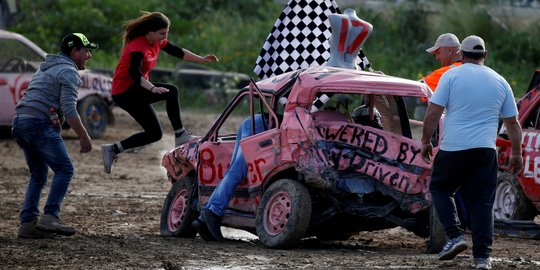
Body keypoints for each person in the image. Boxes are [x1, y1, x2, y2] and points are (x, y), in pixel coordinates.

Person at [420, 35, 523, 270]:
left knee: (440, 188)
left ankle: (455, 236)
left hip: (453, 149)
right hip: (485, 152)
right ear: (485, 56)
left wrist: (425, 141)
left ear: (460, 54)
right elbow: (513, 124)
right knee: (482, 204)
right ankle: (482, 259)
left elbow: (433, 113)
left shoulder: (451, 76)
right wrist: (516, 154)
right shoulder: (500, 81)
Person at [101, 11, 219, 174]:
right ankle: (180, 134)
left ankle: (113, 149)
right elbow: (134, 74)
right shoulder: (137, 46)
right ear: (150, 32)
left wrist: (202, 59)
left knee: (154, 133)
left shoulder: (157, 41)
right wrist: (152, 88)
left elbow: (177, 51)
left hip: (135, 89)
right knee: (171, 91)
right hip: (125, 92)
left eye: (167, 33)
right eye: (162, 33)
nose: (164, 36)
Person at [12, 33, 97, 238]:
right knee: (65, 169)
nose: (89, 56)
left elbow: (49, 101)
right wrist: (84, 136)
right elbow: (70, 109)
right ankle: (50, 216)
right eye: (86, 51)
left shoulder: (45, 68)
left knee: (39, 174)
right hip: (38, 124)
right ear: (74, 51)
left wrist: (56, 117)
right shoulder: (69, 72)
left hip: (20, 121)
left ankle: (27, 225)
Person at [192, 114, 267, 241]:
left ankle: (203, 219)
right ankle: (214, 212)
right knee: (238, 171)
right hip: (262, 126)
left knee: (235, 170)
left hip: (256, 121)